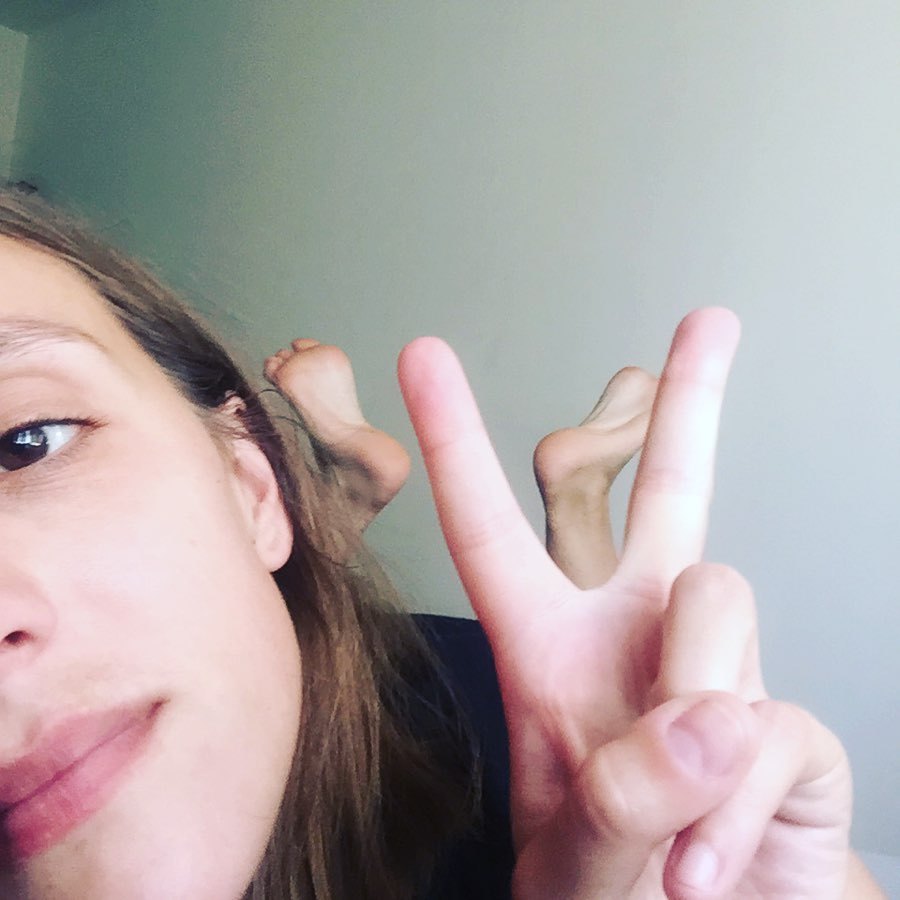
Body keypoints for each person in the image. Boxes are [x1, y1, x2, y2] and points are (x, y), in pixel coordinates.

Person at [0, 188, 884, 899]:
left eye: (24, 441)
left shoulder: (479, 738)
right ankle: (532, 497)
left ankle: (371, 494)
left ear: (251, 480)